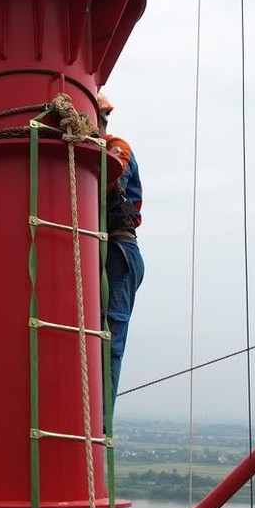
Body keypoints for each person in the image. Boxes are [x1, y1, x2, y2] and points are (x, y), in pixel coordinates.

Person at [96, 92, 144, 408]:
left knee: (110, 339)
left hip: (121, 249)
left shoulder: (117, 146)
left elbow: (110, 175)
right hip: (107, 248)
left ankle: (101, 421)